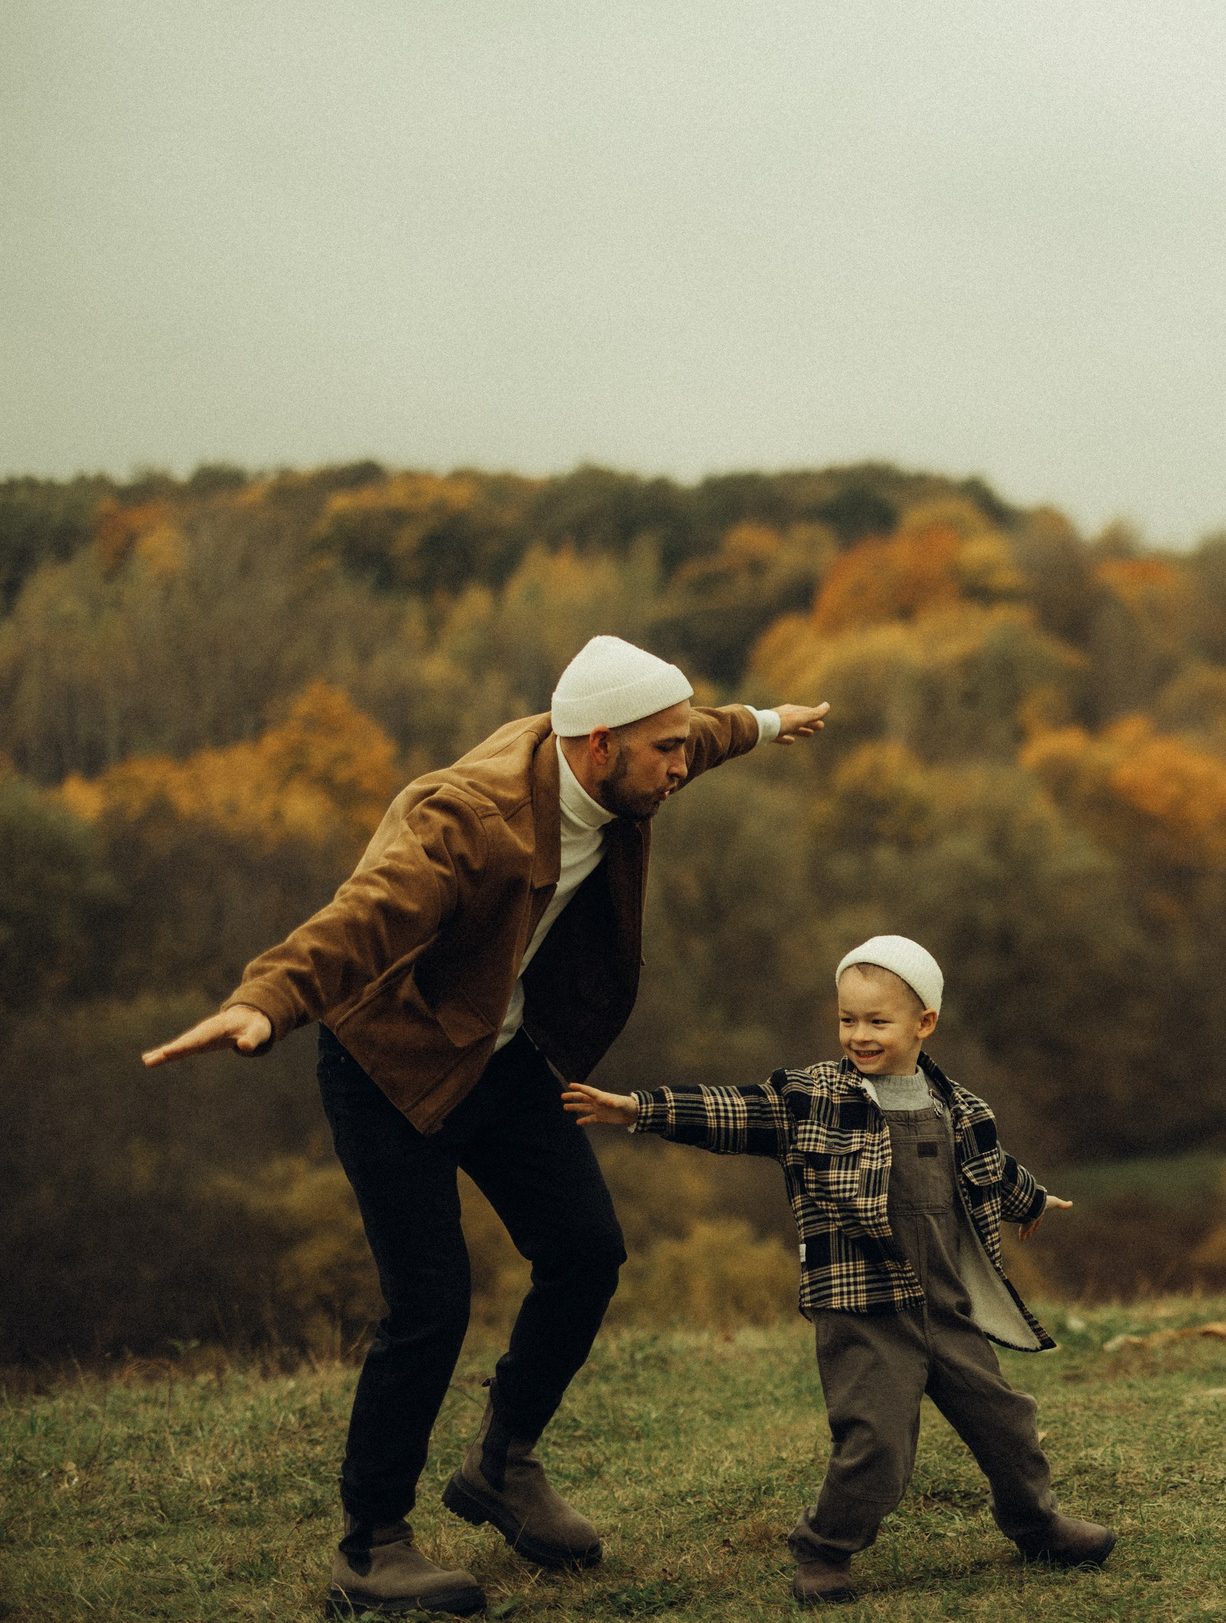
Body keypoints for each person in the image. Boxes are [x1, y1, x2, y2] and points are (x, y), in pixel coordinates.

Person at [141, 635, 830, 1617]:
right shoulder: (471, 819)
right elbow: (364, 916)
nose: (681, 766)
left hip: (495, 1052)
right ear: (596, 748)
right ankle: (371, 1547)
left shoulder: (619, 759)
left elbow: (705, 732)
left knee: (587, 1250)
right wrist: (268, 999)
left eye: (682, 747)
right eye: (664, 752)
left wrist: (765, 723)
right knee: (430, 1301)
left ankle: (501, 1464)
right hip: (388, 1065)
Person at [561, 934, 1116, 1606]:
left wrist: (1032, 1198)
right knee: (876, 1443)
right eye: (848, 1019)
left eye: (877, 1021)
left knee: (1008, 1422)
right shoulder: (814, 1096)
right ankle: (824, 1550)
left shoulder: (962, 1108)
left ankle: (1037, 1524)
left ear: (924, 1023)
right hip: (864, 1307)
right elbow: (735, 1110)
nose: (859, 1034)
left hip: (946, 1307)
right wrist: (639, 1109)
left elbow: (992, 1169)